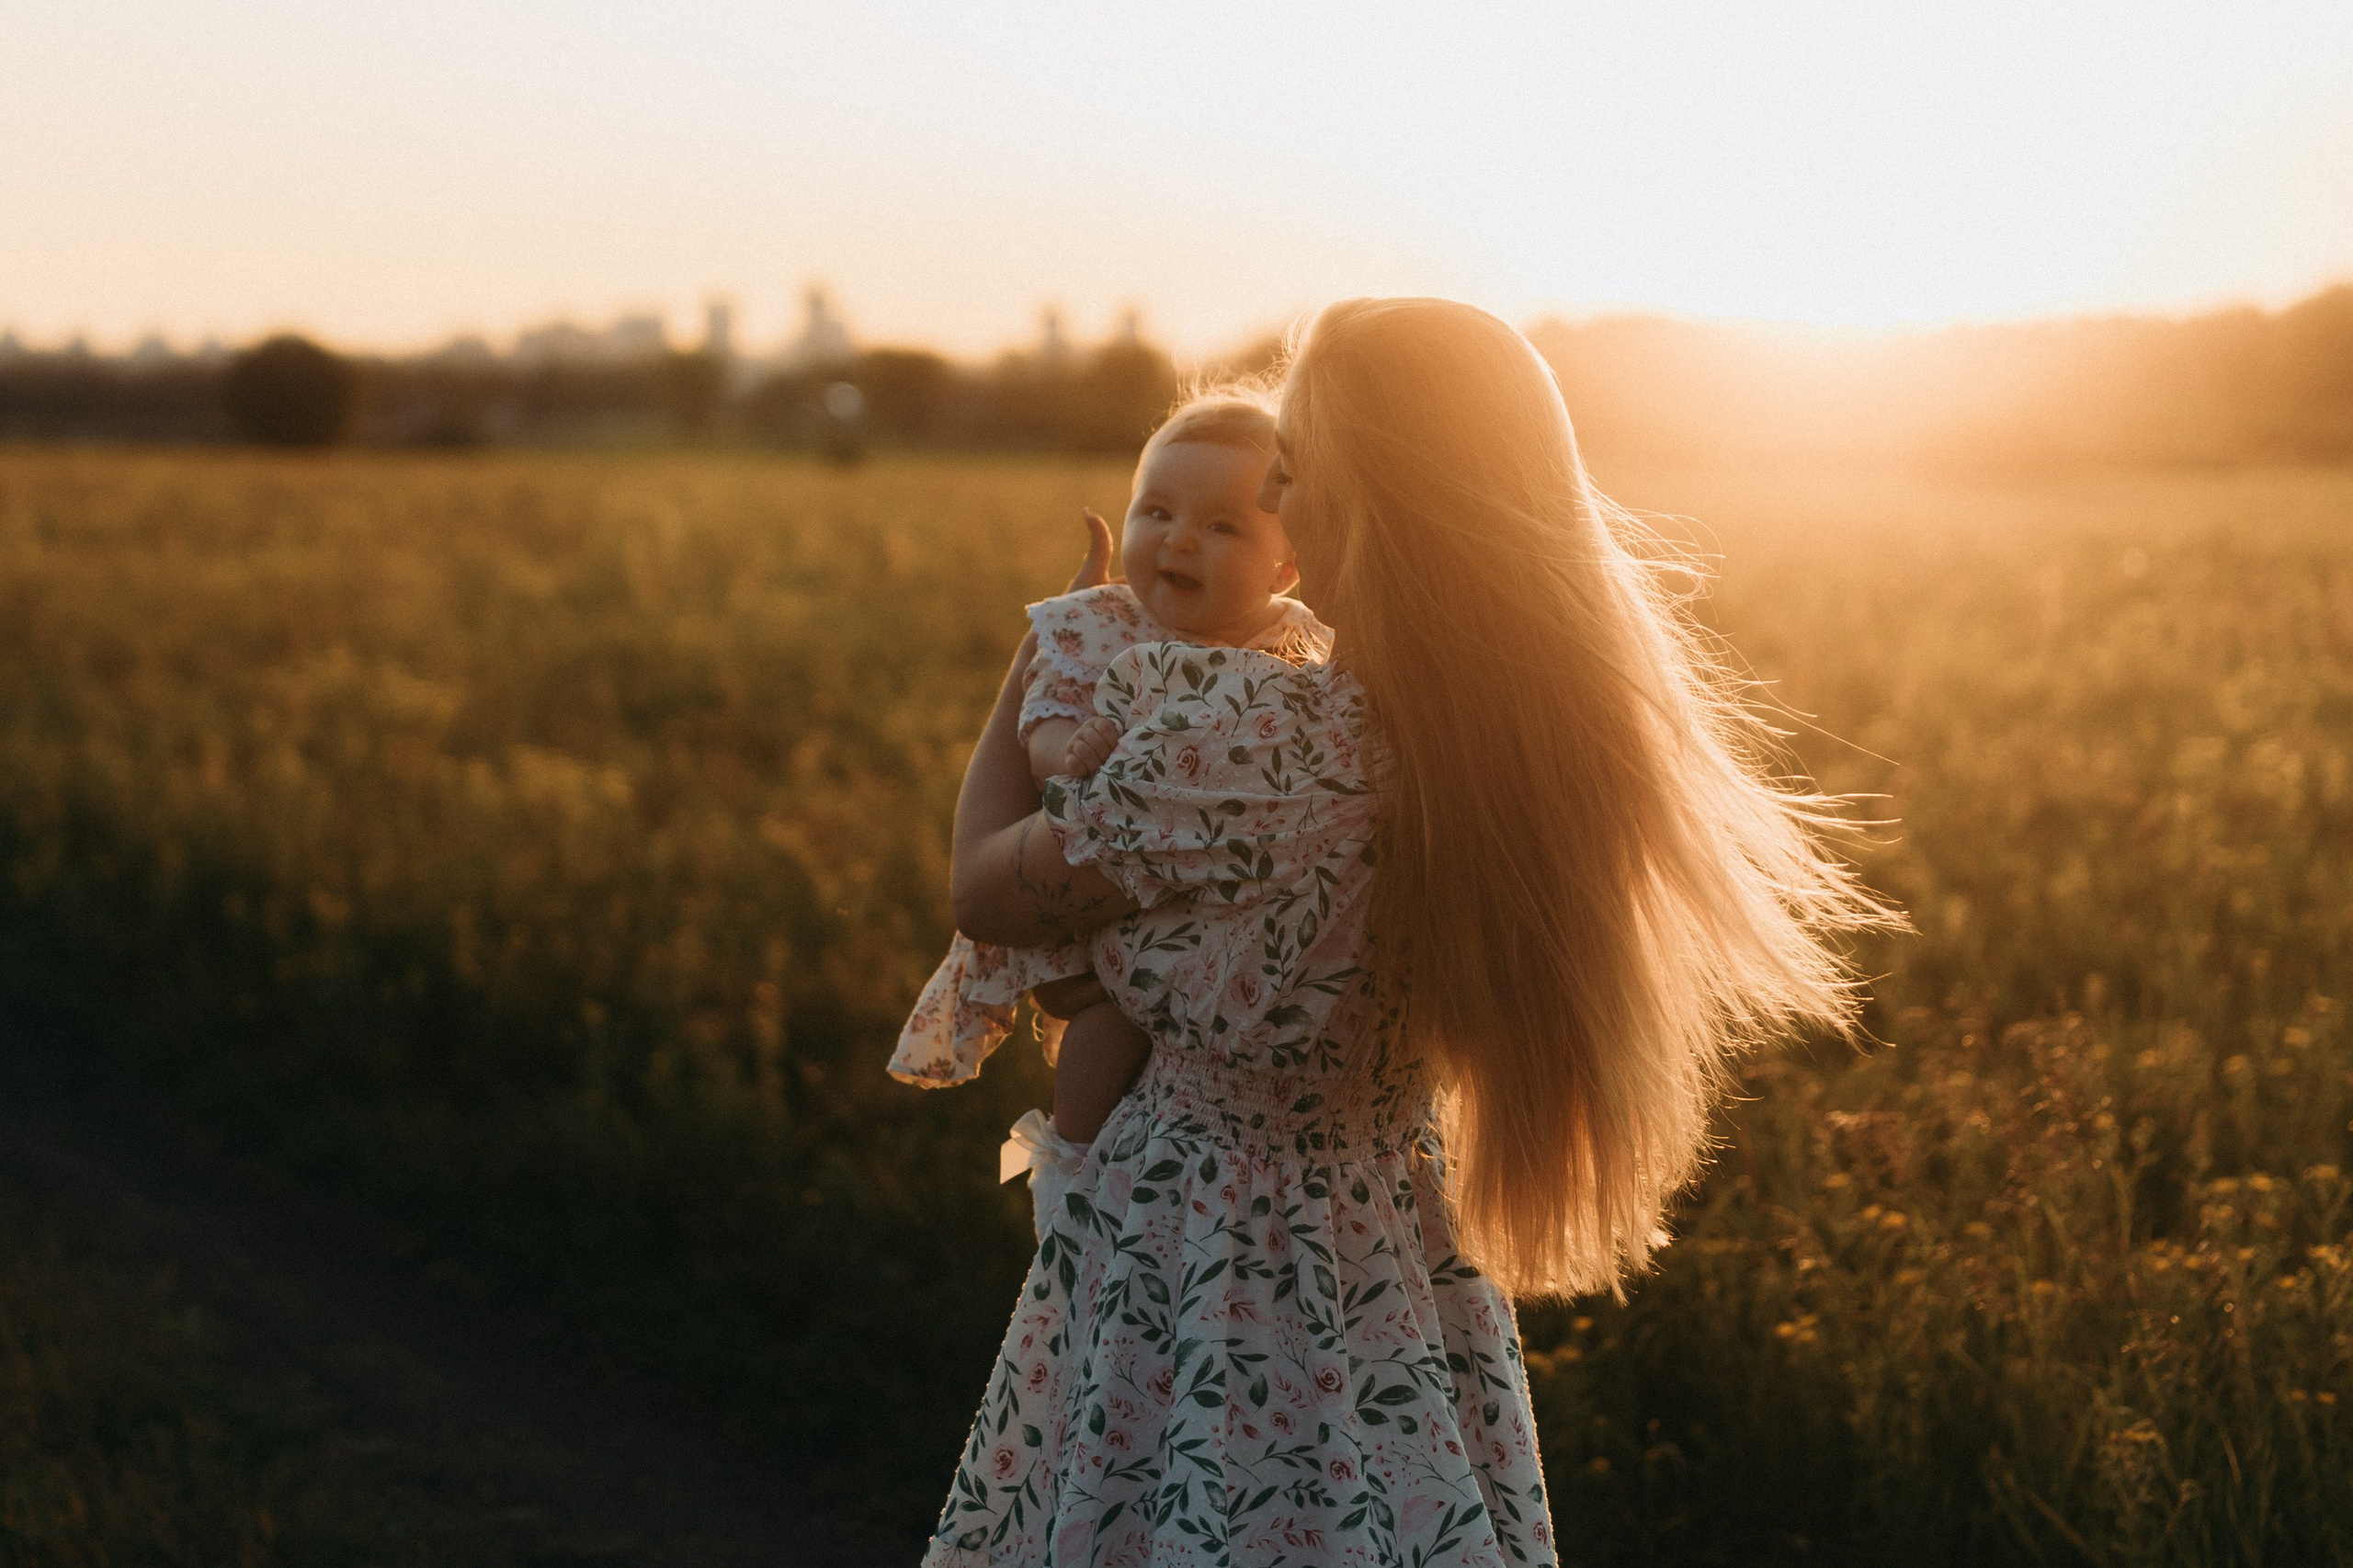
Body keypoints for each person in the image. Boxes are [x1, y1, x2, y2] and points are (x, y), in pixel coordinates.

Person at [926, 299, 1893, 1567]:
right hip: (1394, 1249)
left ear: (1365, 499)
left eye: (1295, 470)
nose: (1276, 491)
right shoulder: (1502, 742)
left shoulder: (1260, 744)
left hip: (1198, 1253)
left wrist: (1048, 644)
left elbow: (985, 889)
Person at [891, 392, 1331, 1227]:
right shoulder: (1099, 627)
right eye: (1156, 511)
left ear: (1286, 568)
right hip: (1083, 910)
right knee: (1108, 1016)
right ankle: (1071, 1164)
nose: (1178, 539)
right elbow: (1046, 727)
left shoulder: (1297, 649)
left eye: (1222, 527)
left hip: (1167, 937)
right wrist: (1075, 750)